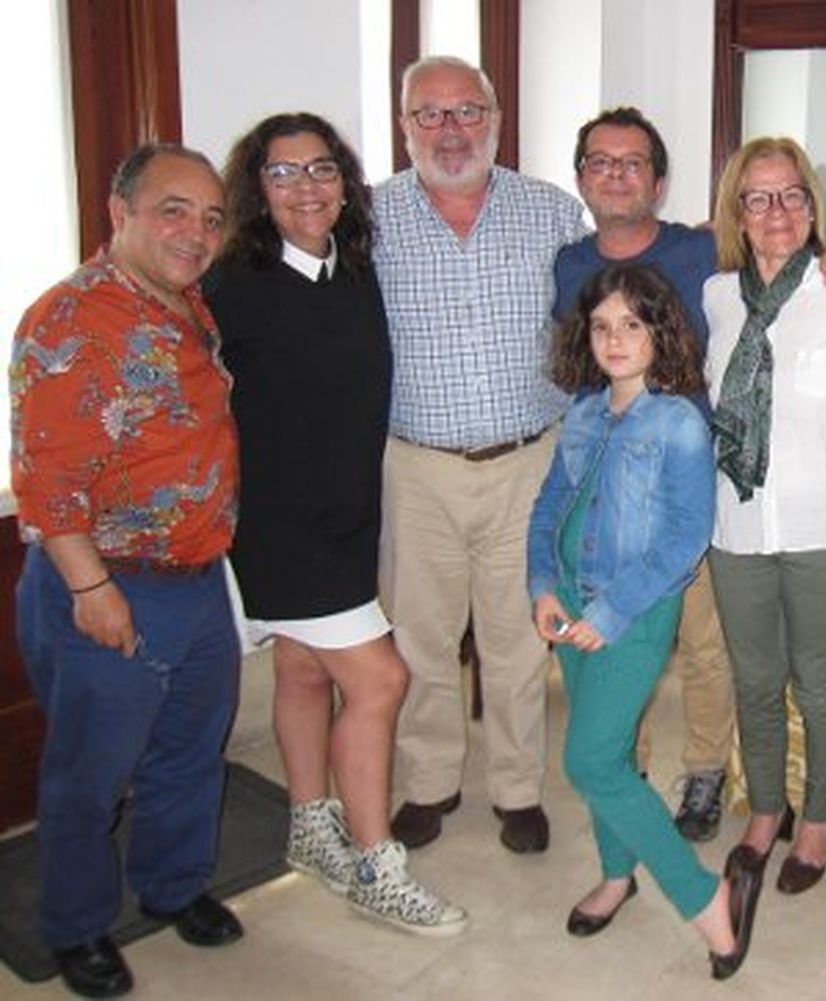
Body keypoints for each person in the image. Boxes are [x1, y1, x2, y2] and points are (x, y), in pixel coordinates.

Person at [206, 113, 464, 935]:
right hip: (282, 526)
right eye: (283, 173)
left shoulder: (352, 271)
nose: (306, 187)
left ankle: (311, 828)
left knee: (304, 671)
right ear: (257, 190)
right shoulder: (232, 286)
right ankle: (375, 862)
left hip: (351, 514)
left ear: (345, 184)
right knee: (380, 680)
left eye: (321, 169)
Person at [11, 143, 242, 999]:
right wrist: (90, 588)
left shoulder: (185, 304)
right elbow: (47, 477)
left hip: (196, 579)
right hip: (108, 582)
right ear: (121, 213)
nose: (196, 232)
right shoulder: (70, 320)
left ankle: (174, 886)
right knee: (90, 772)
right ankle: (76, 926)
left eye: (211, 218)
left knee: (189, 750)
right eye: (174, 211)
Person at [374, 55, 586, 853]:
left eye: (467, 111)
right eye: (429, 114)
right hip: (416, 466)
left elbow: (604, 305)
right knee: (419, 635)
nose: (451, 130)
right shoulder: (369, 218)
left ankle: (516, 788)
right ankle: (430, 780)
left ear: (495, 119)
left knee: (519, 637)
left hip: (528, 461)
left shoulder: (551, 211)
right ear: (405, 127)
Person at [527, 263, 761, 979]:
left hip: (631, 612)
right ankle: (615, 873)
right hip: (571, 605)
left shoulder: (679, 423)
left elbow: (686, 537)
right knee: (614, 752)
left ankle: (705, 897)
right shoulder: (584, 415)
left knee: (589, 760)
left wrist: (612, 610)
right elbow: (551, 505)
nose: (615, 339)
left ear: (661, 332)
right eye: (601, 326)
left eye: (632, 324)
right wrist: (543, 584)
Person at [552, 106, 734, 841]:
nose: (617, 174)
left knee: (702, 639)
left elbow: (789, 249)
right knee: (614, 630)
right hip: (606, 483)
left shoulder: (704, 249)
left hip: (687, 476)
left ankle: (706, 770)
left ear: (658, 182)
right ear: (581, 178)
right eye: (601, 161)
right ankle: (622, 768)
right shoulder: (569, 265)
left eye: (633, 163)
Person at [704, 137, 826, 893]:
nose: (777, 211)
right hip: (737, 528)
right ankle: (767, 807)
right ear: (737, 212)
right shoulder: (715, 296)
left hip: (825, 528)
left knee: (818, 682)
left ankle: (822, 816)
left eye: (792, 195)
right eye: (759, 197)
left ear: (812, 205)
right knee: (755, 680)